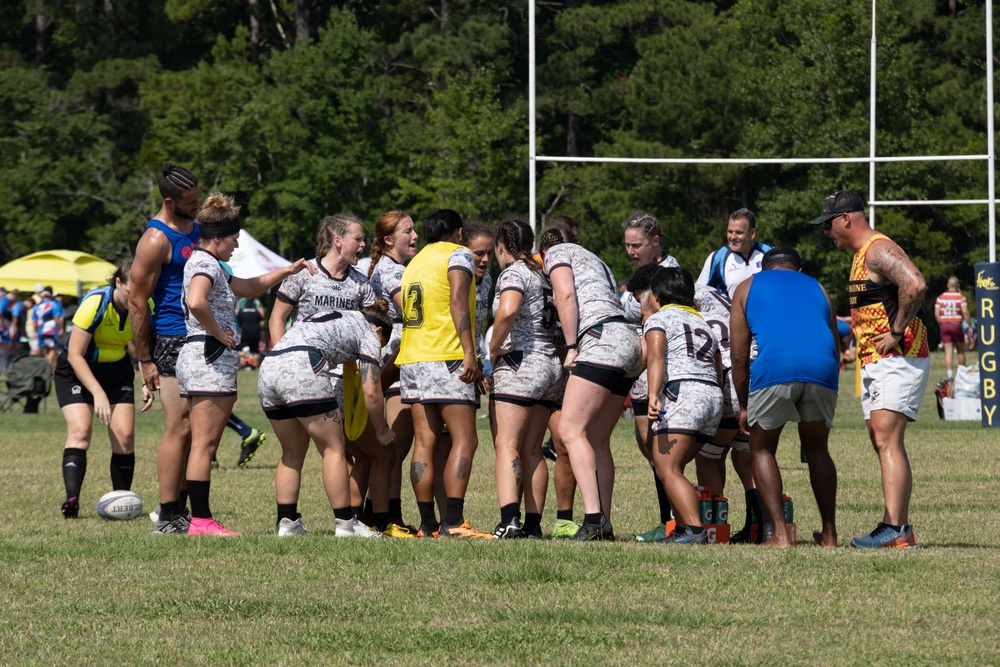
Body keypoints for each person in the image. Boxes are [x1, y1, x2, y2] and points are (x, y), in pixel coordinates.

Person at [176, 193, 311, 536]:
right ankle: (201, 521)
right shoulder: (205, 264)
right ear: (218, 238)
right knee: (205, 445)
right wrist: (219, 332)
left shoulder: (213, 263)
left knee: (202, 443)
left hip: (201, 357)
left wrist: (286, 271)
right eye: (234, 240)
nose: (236, 246)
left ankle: (196, 518)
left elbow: (250, 287)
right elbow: (196, 301)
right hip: (207, 357)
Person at [811, 190, 929, 549]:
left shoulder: (878, 249)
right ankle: (897, 527)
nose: (827, 233)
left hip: (899, 355)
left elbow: (915, 283)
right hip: (878, 361)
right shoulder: (863, 255)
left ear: (846, 218)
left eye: (828, 225)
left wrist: (895, 332)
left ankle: (894, 529)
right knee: (882, 441)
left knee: (886, 439)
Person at [269, 214, 386, 530]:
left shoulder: (360, 282)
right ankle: (347, 522)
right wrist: (287, 355)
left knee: (346, 450)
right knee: (330, 450)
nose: (363, 244)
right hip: (305, 372)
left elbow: (373, 327)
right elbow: (277, 318)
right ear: (337, 240)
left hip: (342, 377)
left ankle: (322, 520)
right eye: (358, 239)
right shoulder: (303, 274)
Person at [730, 248, 840, 548]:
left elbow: (739, 357)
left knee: (762, 448)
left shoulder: (747, 287)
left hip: (775, 368)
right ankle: (829, 534)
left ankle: (779, 534)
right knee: (818, 449)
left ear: (764, 269)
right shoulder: (818, 286)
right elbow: (834, 342)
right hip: (822, 369)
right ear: (799, 270)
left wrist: (742, 406)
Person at [258, 303, 395, 537]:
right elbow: (371, 391)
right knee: (334, 450)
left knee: (291, 453)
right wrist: (382, 430)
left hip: (269, 366)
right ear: (380, 332)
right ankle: (346, 525)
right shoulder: (369, 332)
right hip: (303, 366)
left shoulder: (339, 316)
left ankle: (287, 523)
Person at [542, 226, 642, 540]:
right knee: (597, 439)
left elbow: (566, 294)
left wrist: (572, 346)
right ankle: (605, 522)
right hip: (631, 341)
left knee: (570, 430)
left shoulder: (557, 252)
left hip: (602, 341)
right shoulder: (598, 261)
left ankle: (593, 519)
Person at [397, 208, 491, 539]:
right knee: (465, 439)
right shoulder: (458, 254)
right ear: (460, 232)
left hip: (412, 358)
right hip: (447, 355)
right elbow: (457, 302)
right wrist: (470, 352)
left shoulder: (414, 262)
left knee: (424, 442)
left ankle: (426, 524)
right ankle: (453, 521)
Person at [56, 261, 154, 518]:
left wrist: (146, 380)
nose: (136, 296)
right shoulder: (95, 303)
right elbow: (75, 355)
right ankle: (72, 500)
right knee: (81, 430)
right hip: (76, 370)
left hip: (116, 370)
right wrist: (98, 393)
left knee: (124, 436)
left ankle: (120, 503)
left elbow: (143, 348)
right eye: (131, 290)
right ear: (118, 283)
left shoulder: (145, 304)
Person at [488, 219, 562, 539]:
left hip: (522, 363)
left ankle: (509, 521)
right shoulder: (543, 273)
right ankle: (533, 525)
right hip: (551, 365)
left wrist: (493, 348)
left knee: (507, 445)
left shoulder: (514, 271)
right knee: (533, 449)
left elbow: (507, 311)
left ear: (500, 246)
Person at [643, 267, 723, 544]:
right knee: (675, 466)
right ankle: (681, 529)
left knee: (668, 468)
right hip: (712, 394)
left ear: (655, 297)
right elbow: (718, 367)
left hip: (684, 392)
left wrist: (653, 395)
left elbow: (656, 358)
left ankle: (694, 530)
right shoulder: (704, 323)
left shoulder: (660, 318)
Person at [619, 211, 681, 542]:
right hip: (642, 373)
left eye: (637, 244)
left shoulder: (671, 275)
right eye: (627, 245)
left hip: (665, 370)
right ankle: (668, 518)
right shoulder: (639, 277)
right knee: (648, 447)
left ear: (655, 241)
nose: (631, 251)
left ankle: (676, 520)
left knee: (662, 449)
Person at [367, 210, 420, 537]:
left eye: (415, 230)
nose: (414, 236)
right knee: (392, 448)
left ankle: (387, 515)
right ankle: (382, 517)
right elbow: (413, 310)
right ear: (388, 240)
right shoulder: (389, 271)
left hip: (406, 356)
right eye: (407, 231)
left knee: (398, 447)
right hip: (396, 359)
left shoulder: (401, 268)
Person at [697, 208, 773, 298]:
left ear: (752, 233)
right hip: (730, 312)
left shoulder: (770, 254)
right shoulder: (717, 258)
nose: (733, 237)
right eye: (730, 231)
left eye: (739, 232)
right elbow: (699, 294)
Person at [934, 276, 974, 380]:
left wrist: (941, 324)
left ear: (948, 285)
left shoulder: (940, 298)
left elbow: (937, 313)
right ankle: (961, 374)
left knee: (948, 350)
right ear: (958, 286)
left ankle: (949, 375)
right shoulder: (960, 297)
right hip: (956, 325)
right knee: (960, 350)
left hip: (944, 324)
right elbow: (965, 312)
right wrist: (970, 325)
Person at [31, 289, 64, 368]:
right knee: (52, 348)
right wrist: (61, 328)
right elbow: (57, 317)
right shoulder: (53, 304)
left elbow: (34, 320)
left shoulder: (37, 306)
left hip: (40, 330)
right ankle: (47, 367)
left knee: (40, 348)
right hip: (50, 329)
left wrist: (35, 332)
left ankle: (32, 364)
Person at [235, 295, 265, 369]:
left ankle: (244, 366)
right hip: (255, 332)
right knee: (255, 350)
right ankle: (255, 367)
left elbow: (236, 316)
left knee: (243, 349)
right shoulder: (256, 309)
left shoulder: (241, 308)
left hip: (244, 332)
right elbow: (262, 316)